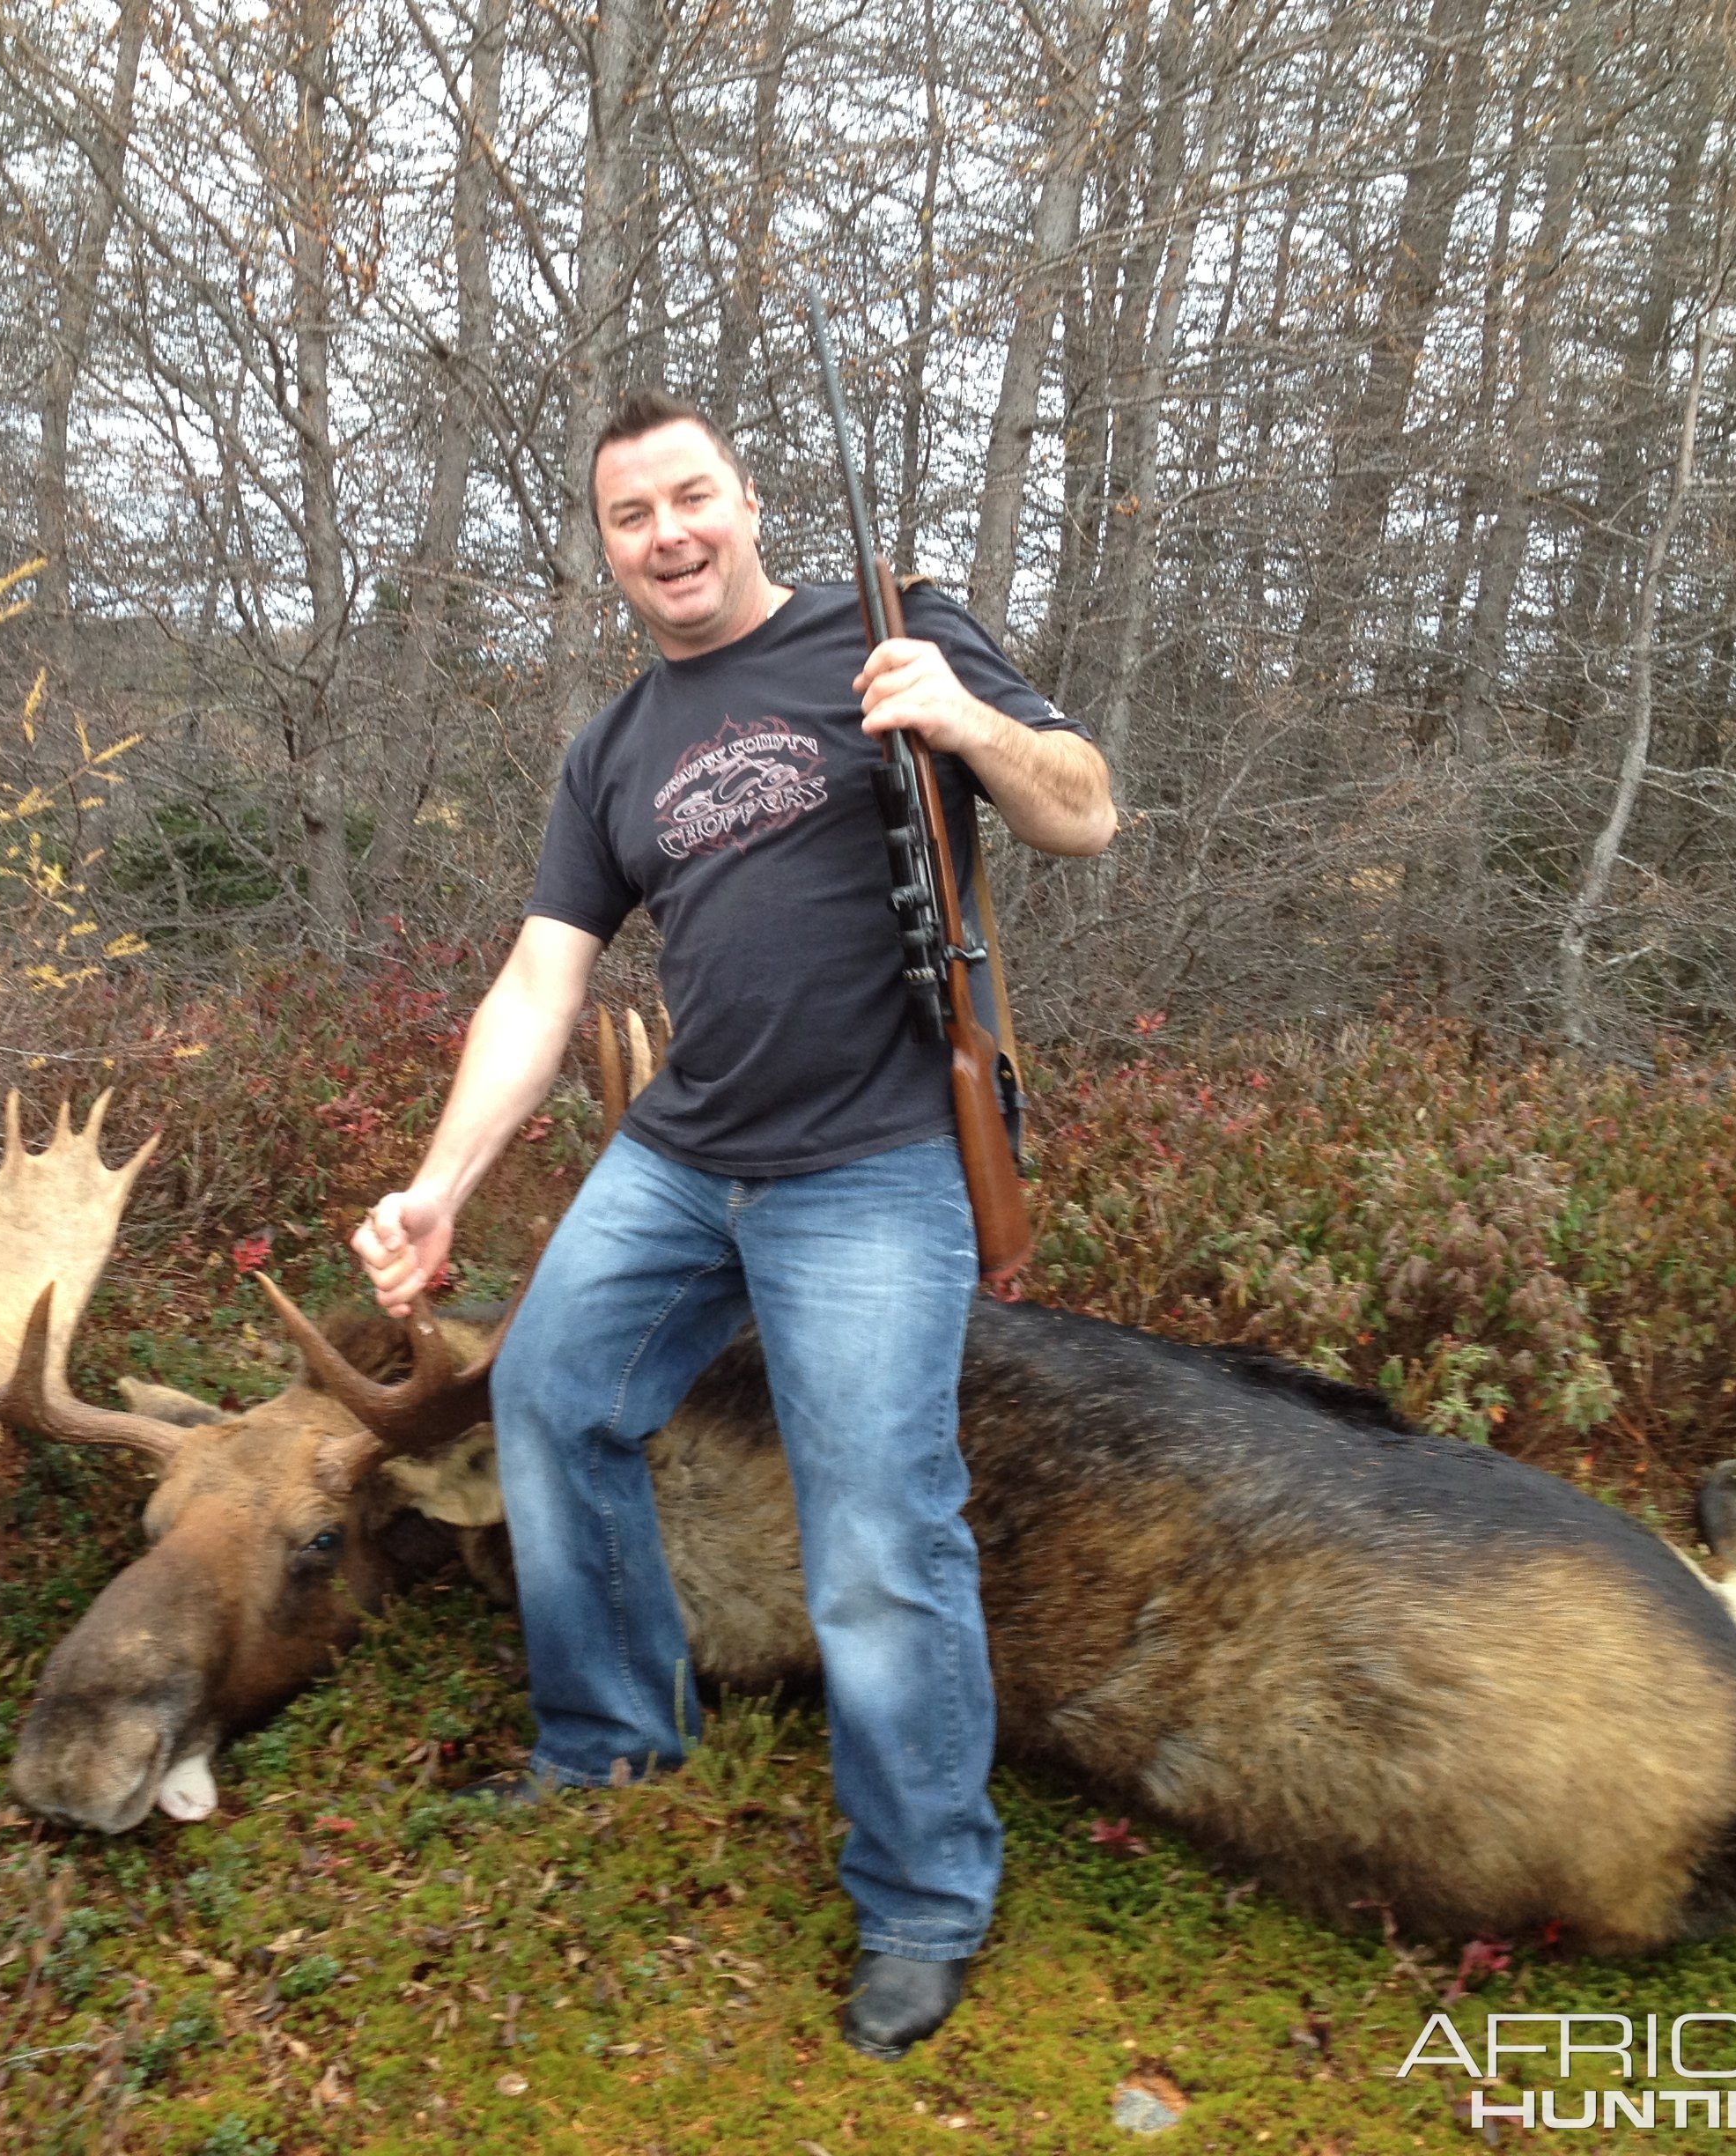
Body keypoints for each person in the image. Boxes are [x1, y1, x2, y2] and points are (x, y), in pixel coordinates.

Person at [350, 390, 1115, 2059]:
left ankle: (923, 1894)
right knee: (551, 1399)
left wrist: (966, 725)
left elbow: (1084, 807)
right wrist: (442, 1181)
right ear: (610, 548)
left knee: (875, 1532)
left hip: (876, 1163)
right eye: (633, 517)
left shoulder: (895, 630)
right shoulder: (614, 749)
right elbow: (542, 975)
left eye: (691, 497)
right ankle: (611, 1739)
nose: (668, 535)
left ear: (744, 500)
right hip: (687, 1155)